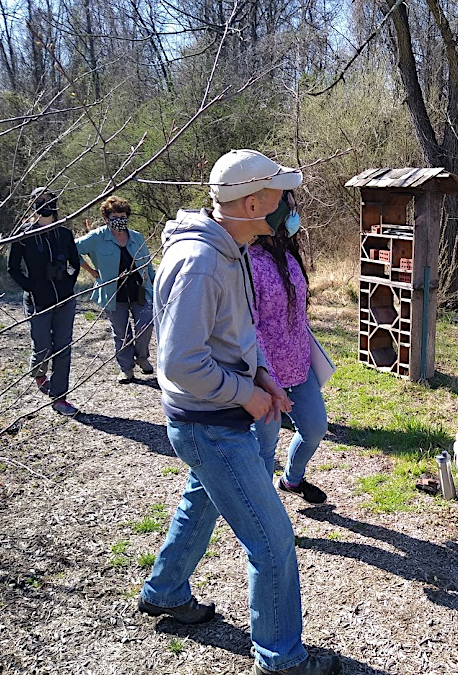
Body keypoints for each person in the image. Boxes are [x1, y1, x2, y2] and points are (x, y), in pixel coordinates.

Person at [138, 149, 341, 675]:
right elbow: (180, 363)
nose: (286, 207)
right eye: (279, 197)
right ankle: (281, 659)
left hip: (218, 419)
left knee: (199, 505)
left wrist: (261, 378)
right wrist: (245, 394)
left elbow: (228, 337)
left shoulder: (230, 249)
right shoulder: (202, 262)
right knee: (273, 542)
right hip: (209, 426)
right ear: (253, 203)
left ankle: (163, 590)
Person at [250, 191, 329, 505]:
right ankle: (266, 516)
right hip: (265, 373)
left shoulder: (287, 251)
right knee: (264, 449)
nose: (295, 213)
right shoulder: (248, 261)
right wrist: (261, 375)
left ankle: (292, 479)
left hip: (299, 363)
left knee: (315, 428)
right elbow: (247, 325)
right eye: (291, 207)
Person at [7, 187, 81, 416]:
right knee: (41, 347)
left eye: (50, 200)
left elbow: (75, 263)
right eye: (40, 201)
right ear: (32, 204)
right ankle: (38, 372)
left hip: (64, 299)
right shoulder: (23, 235)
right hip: (38, 301)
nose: (45, 204)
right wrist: (32, 287)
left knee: (63, 348)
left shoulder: (64, 234)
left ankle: (60, 397)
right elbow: (13, 268)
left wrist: (68, 281)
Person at [75, 196, 156, 383]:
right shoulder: (97, 237)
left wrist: (155, 284)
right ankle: (126, 369)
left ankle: (142, 357)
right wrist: (93, 273)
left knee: (146, 324)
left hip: (139, 290)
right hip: (113, 293)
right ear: (107, 218)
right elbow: (72, 249)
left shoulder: (136, 237)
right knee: (121, 333)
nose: (119, 219)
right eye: (114, 216)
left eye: (122, 215)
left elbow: (148, 265)